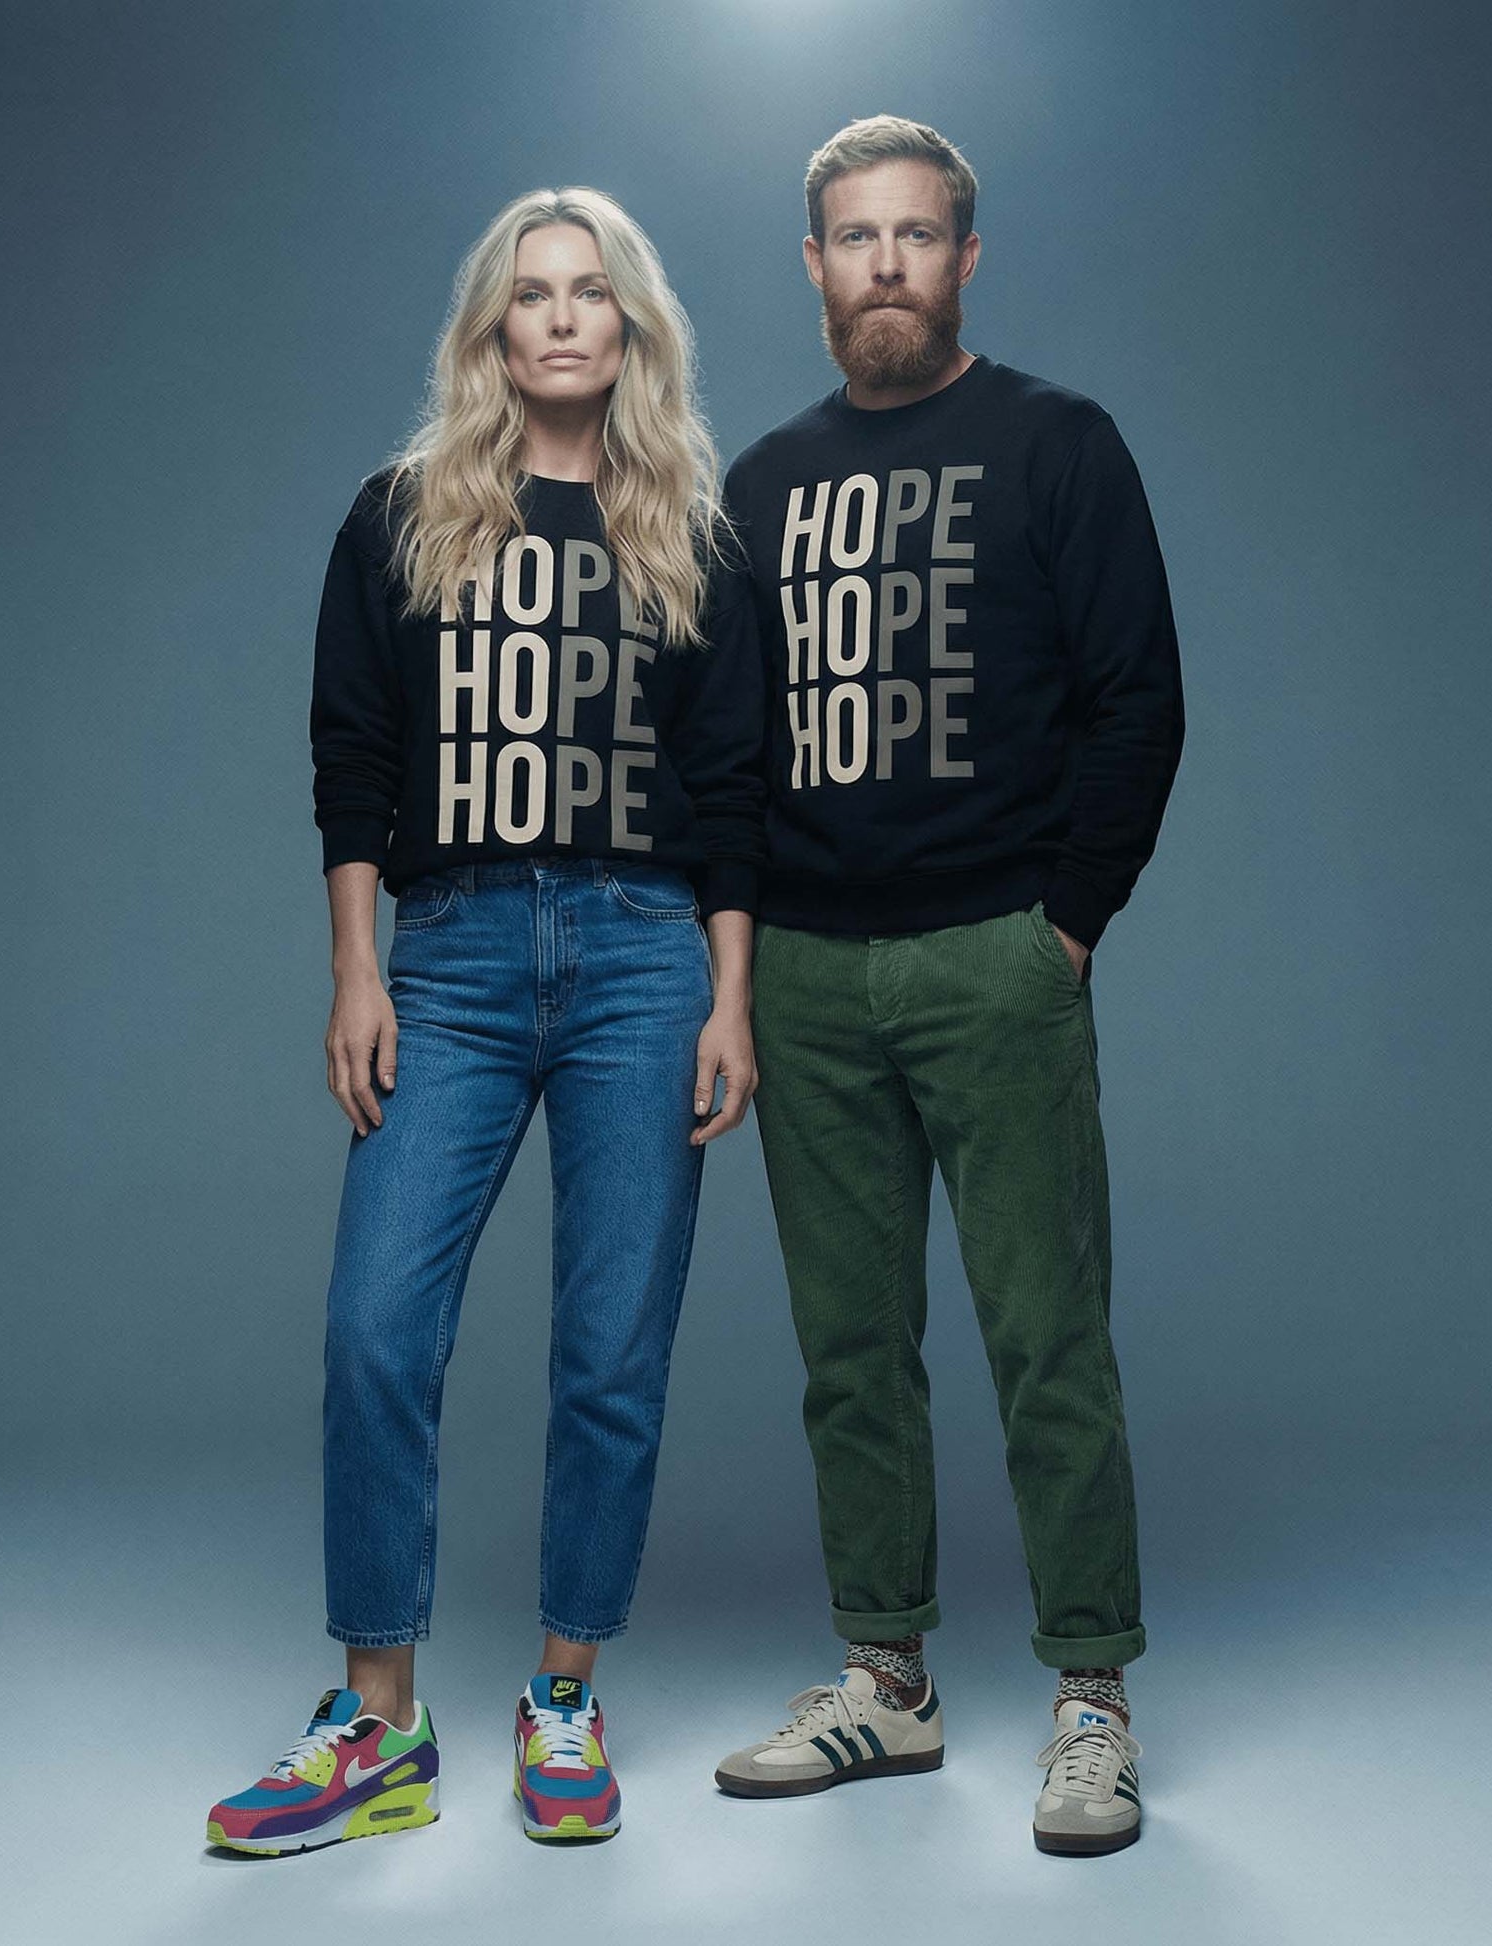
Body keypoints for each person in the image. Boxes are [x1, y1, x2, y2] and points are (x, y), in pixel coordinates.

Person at [206, 186, 766, 1855]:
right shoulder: (399, 515)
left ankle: (564, 1689)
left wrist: (730, 996)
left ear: (630, 327)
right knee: (377, 1327)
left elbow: (731, 792)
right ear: (495, 332)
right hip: (443, 960)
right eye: (532, 295)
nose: (564, 318)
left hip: (645, 957)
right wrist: (355, 969)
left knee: (610, 1349)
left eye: (592, 292)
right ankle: (377, 1729)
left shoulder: (692, 533)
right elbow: (351, 763)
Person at [710, 116, 1184, 1857]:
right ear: (815, 267)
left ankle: (1089, 1699)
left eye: (915, 234)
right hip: (809, 975)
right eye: (852, 237)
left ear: (964, 256)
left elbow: (1138, 698)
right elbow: (728, 750)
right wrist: (738, 965)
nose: (884, 263)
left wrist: (1066, 922)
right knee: (850, 1351)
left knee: (1044, 1336)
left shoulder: (1058, 444)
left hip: (997, 955)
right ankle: (886, 1686)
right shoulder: (756, 485)